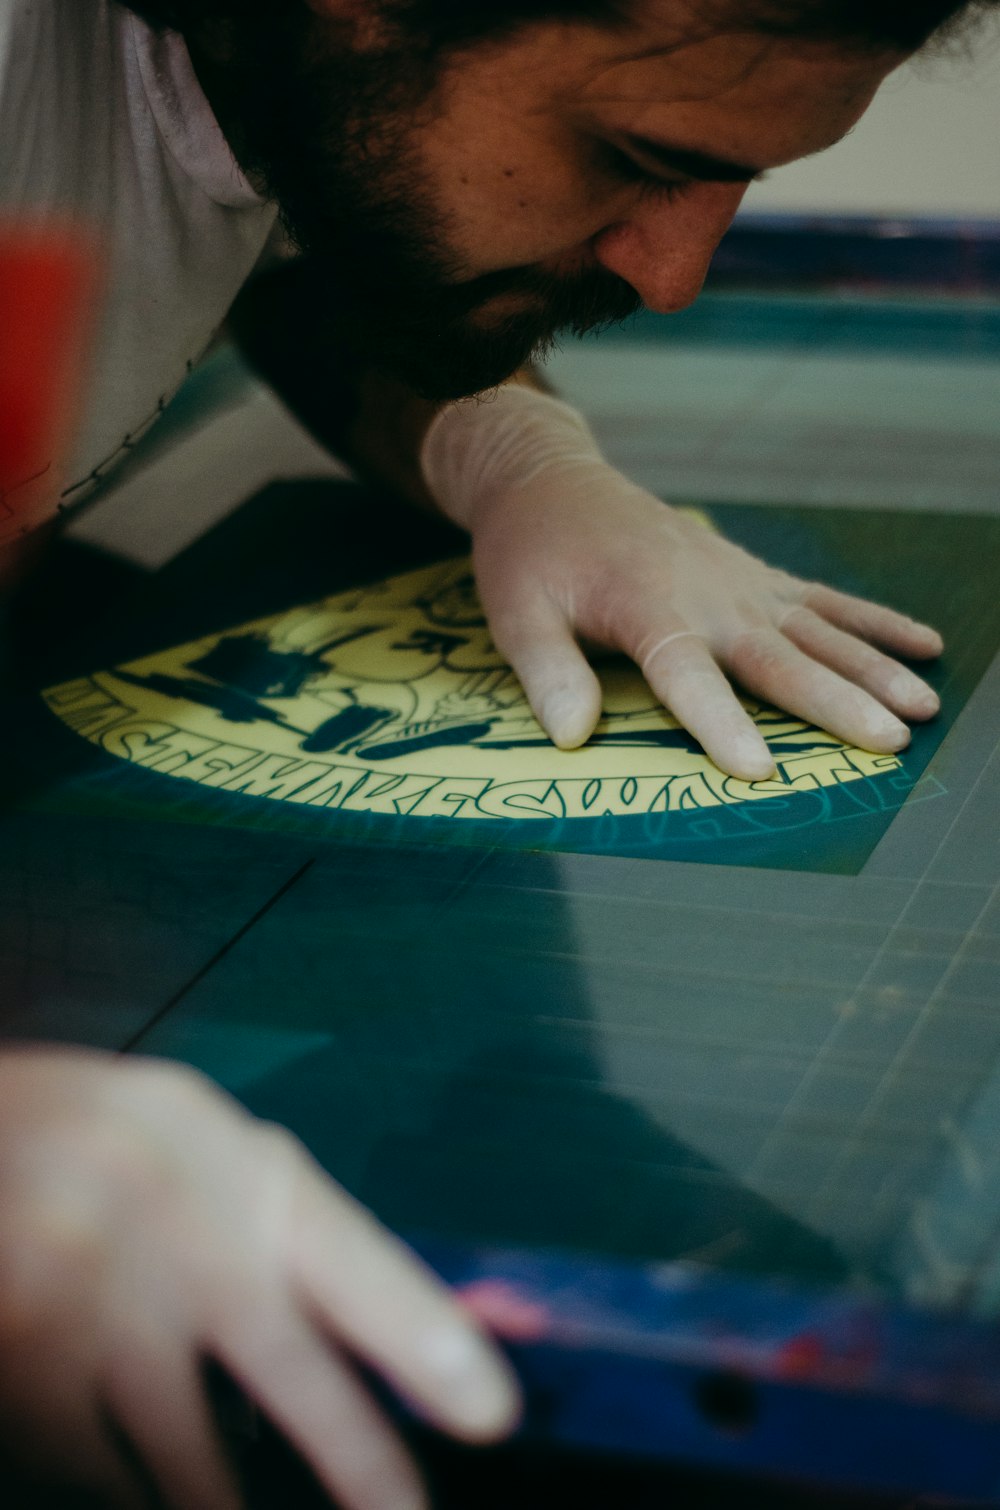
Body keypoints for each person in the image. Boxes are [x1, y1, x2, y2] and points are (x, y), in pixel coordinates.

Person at [0, 1, 991, 1505]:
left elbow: (298, 240)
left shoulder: (262, 60)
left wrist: (511, 446)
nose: (675, 274)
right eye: (636, 155)